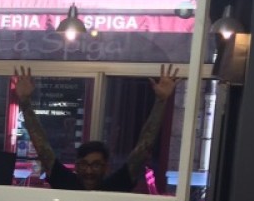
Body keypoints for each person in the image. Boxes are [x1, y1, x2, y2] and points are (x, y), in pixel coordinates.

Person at [13, 64, 180, 191]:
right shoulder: (67, 182)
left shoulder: (116, 185)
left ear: (106, 167)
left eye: (96, 165)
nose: (89, 171)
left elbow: (143, 148)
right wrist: (25, 102)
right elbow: (42, 148)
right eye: (84, 164)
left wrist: (161, 101)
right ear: (77, 166)